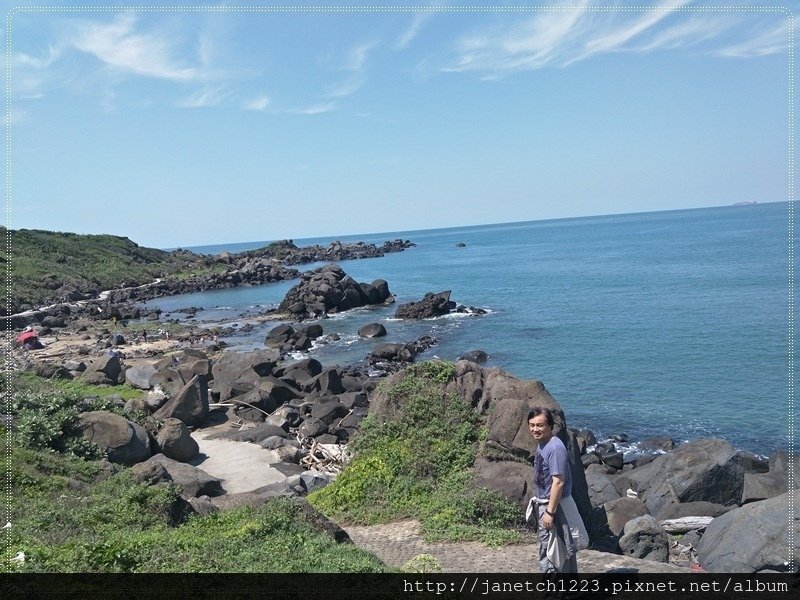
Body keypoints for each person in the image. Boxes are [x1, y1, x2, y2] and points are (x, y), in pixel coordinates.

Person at [527, 407, 587, 573]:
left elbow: (559, 482)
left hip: (554, 505)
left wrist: (550, 512)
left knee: (550, 550)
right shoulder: (543, 444)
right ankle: (569, 590)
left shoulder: (554, 448)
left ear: (550, 426)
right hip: (548, 503)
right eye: (532, 425)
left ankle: (552, 592)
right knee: (563, 547)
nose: (535, 429)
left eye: (540, 425)